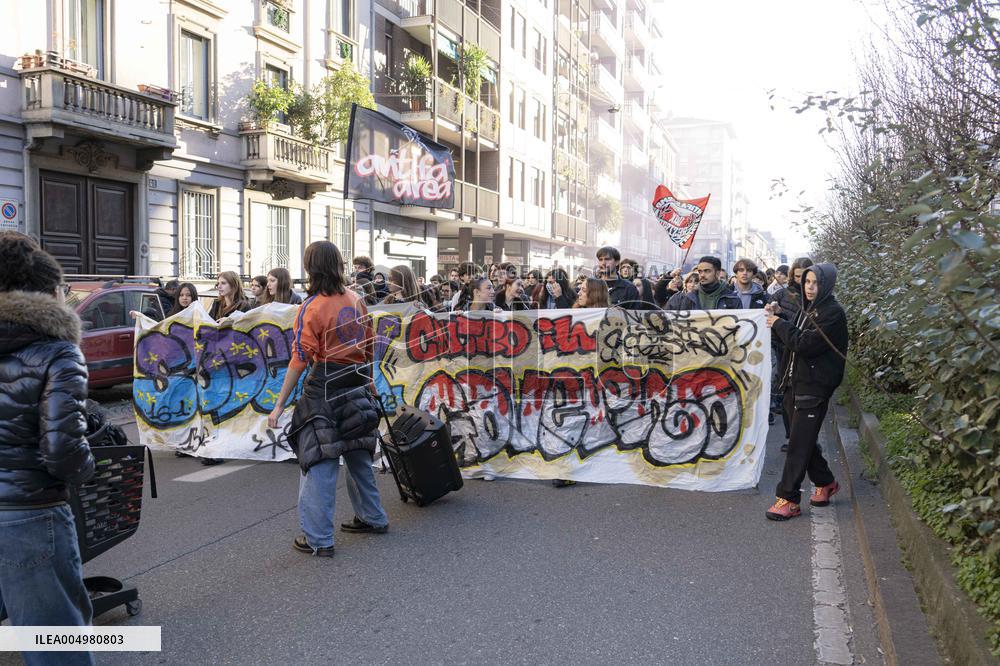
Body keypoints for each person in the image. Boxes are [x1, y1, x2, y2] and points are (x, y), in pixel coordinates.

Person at [0, 232, 96, 658]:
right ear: (52, 293)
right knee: (58, 646)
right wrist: (85, 471)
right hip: (28, 514)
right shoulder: (58, 352)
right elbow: (62, 449)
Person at [268, 241, 388, 557]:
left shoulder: (312, 307)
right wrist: (371, 385)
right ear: (337, 264)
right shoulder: (356, 299)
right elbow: (368, 346)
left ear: (310, 268)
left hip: (323, 387)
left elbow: (299, 358)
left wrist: (280, 403)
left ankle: (319, 539)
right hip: (357, 382)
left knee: (319, 458)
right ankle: (373, 517)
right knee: (359, 452)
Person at [765, 264, 847, 521]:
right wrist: (781, 317)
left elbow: (805, 344)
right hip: (794, 383)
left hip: (814, 387)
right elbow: (796, 336)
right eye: (807, 282)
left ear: (827, 285)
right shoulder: (808, 308)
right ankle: (825, 482)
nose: (810, 287)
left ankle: (788, 498)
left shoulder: (832, 313)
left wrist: (778, 323)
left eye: (815, 283)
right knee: (804, 441)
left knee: (798, 445)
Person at [769, 257, 815, 447]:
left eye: (806, 277)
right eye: (797, 276)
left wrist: (782, 318)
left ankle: (804, 439)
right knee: (786, 393)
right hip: (782, 348)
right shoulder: (781, 294)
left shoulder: (814, 298)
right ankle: (791, 437)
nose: (801, 282)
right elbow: (770, 320)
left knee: (803, 396)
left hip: (804, 351)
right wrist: (773, 311)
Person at [665, 256, 742, 310]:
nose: (702, 275)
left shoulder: (732, 299)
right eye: (700, 271)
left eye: (707, 271)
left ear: (717, 273)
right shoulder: (687, 298)